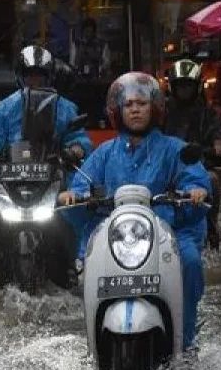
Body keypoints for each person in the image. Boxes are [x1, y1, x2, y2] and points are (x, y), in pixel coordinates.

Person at [58, 72, 211, 349]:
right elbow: (82, 185)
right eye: (128, 105)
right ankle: (92, 344)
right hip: (117, 237)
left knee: (189, 262)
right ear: (118, 110)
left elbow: (195, 178)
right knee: (90, 266)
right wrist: (73, 195)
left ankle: (185, 341)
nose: (135, 109)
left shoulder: (174, 149)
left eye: (141, 103)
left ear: (155, 108)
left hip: (169, 233)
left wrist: (196, 192)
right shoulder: (104, 152)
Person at [0, 46, 92, 255]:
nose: (34, 81)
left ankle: (76, 253)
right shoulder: (7, 106)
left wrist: (77, 148)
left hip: (52, 168)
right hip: (11, 170)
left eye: (39, 76)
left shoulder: (64, 107)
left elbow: (77, 135)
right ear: (20, 77)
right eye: (29, 76)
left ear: (49, 77)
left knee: (75, 201)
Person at [164, 58, 221, 250]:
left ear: (197, 87)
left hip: (197, 165)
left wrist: (217, 145)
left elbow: (217, 132)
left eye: (188, 86)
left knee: (213, 180)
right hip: (166, 166)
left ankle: (211, 226)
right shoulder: (163, 111)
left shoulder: (207, 112)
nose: (184, 90)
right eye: (180, 86)